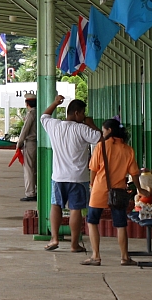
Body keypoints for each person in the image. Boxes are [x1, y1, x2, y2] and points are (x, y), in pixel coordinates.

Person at [40, 94, 101, 252]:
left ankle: (54, 239)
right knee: (75, 209)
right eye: (83, 113)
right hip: (78, 178)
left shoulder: (55, 126)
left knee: (56, 206)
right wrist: (92, 124)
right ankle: (74, 244)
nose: (84, 116)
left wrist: (55, 102)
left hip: (58, 176)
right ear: (77, 113)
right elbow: (101, 138)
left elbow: (44, 116)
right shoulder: (82, 129)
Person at [83, 119, 143, 266]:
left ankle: (95, 256)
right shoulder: (128, 150)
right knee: (121, 225)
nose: (102, 134)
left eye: (103, 131)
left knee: (92, 222)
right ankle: (124, 257)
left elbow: (93, 170)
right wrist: (140, 189)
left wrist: (92, 185)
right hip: (118, 192)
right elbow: (134, 173)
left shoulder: (101, 146)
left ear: (109, 130)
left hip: (99, 190)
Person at [15, 93, 37, 202]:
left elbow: (25, 130)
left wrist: (19, 143)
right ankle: (37, 190)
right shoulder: (40, 112)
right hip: (38, 143)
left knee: (29, 169)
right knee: (36, 169)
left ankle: (30, 193)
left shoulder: (31, 114)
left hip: (30, 143)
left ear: (27, 104)